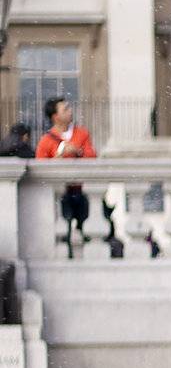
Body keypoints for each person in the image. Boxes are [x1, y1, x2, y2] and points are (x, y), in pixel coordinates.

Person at [35, 97, 97, 256]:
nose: (70, 111)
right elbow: (40, 168)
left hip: (81, 189)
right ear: (55, 116)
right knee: (64, 227)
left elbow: (92, 156)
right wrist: (59, 156)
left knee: (87, 225)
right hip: (60, 192)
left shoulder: (81, 133)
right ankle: (66, 256)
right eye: (65, 109)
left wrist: (78, 151)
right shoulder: (46, 140)